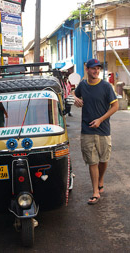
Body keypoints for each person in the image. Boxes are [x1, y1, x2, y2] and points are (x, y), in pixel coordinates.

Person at [73, 58, 119, 205]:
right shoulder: (83, 85)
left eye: (98, 68)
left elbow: (115, 106)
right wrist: (75, 98)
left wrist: (101, 119)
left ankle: (100, 179)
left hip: (103, 129)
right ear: (87, 69)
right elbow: (75, 93)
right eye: (93, 68)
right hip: (87, 130)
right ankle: (95, 191)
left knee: (103, 160)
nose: (96, 71)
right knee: (92, 161)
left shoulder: (106, 86)